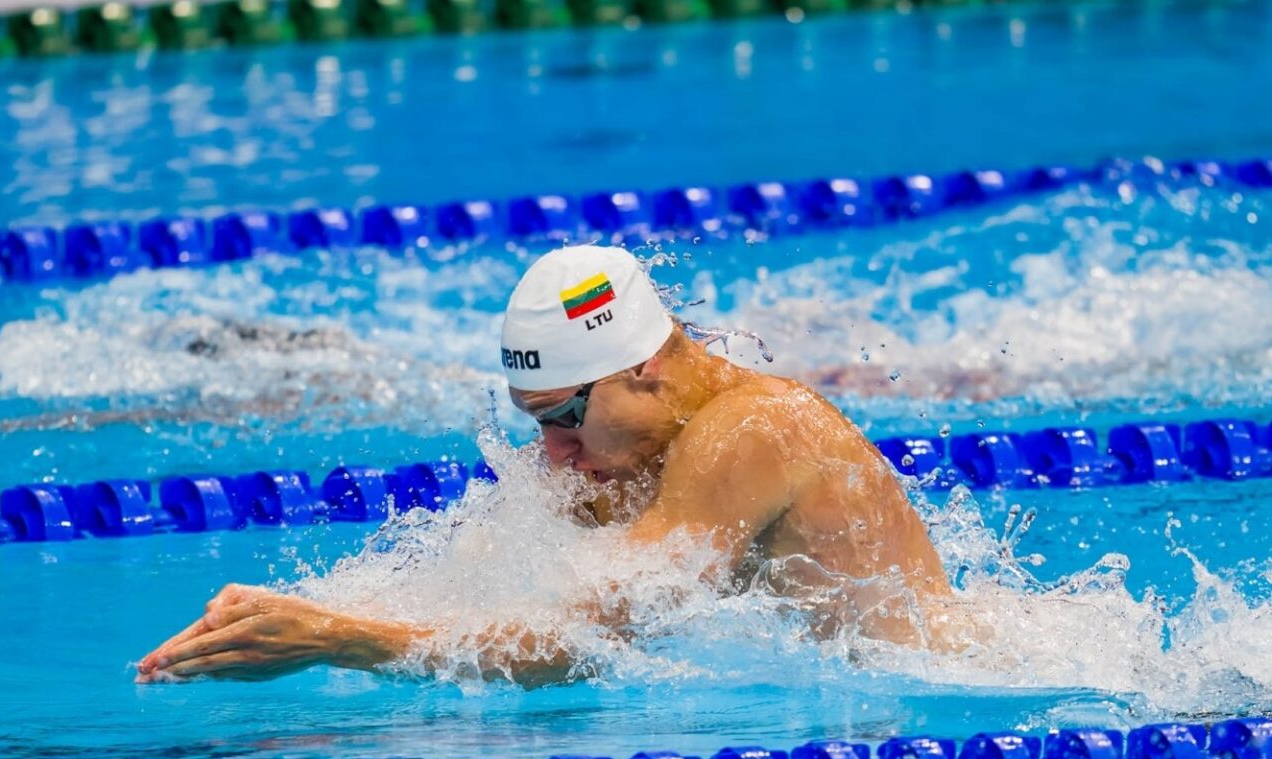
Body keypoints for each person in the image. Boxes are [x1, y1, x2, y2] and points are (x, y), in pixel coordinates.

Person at [136, 245, 955, 683]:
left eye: (565, 416)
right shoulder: (624, 452)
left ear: (645, 367)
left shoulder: (755, 430)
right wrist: (288, 619)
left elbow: (585, 641)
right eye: (538, 423)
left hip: (940, 698)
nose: (554, 454)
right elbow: (472, 599)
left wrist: (341, 639)